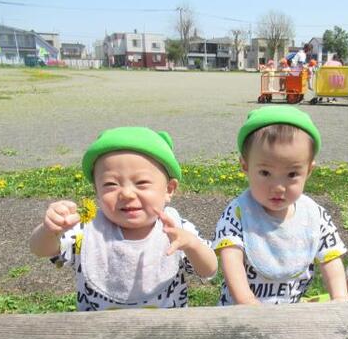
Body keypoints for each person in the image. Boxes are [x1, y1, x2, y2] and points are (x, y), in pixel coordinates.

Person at [30, 127, 218, 311]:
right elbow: (41, 250)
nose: (127, 193)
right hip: (97, 328)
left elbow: (208, 270)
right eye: (111, 184)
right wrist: (50, 230)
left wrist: (192, 245)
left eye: (141, 183)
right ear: (97, 190)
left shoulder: (178, 229)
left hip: (166, 328)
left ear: (168, 189)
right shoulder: (88, 229)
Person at [213, 106, 348, 305]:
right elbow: (231, 259)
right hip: (242, 311)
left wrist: (340, 297)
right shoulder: (239, 213)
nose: (278, 187)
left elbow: (331, 260)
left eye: (292, 174)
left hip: (290, 312)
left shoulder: (314, 216)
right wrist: (247, 301)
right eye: (265, 173)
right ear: (245, 166)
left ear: (309, 170)